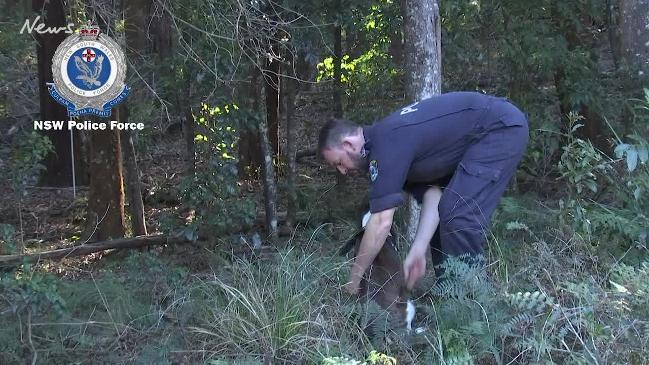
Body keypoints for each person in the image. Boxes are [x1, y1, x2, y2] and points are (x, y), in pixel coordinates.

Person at [318, 92, 529, 294]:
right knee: (447, 211)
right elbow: (433, 195)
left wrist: (354, 280)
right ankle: (450, 295)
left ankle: (476, 303)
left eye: (339, 163)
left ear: (349, 144)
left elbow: (381, 222)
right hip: (492, 129)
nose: (342, 171)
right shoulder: (387, 146)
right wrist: (418, 250)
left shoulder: (385, 146)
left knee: (458, 215)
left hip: (500, 129)